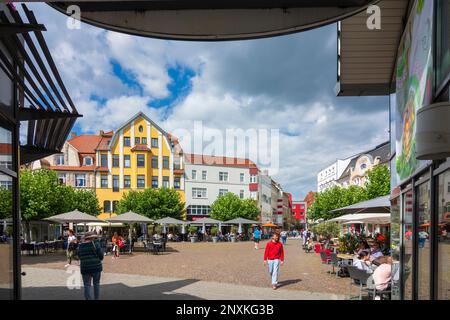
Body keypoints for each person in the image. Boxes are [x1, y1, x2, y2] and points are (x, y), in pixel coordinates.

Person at [78, 231, 104, 300]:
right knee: (96, 284)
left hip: (85, 268)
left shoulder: (80, 246)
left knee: (87, 285)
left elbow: (78, 256)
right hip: (96, 267)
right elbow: (101, 256)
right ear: (92, 237)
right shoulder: (96, 244)